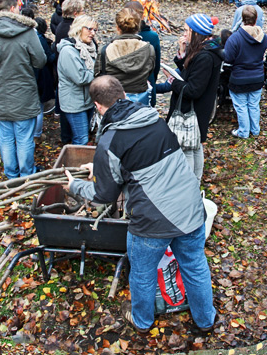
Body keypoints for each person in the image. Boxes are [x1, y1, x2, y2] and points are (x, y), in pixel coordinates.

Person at [62, 75, 216, 336]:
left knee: (143, 273)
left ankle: (142, 322)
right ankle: (206, 320)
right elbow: (141, 164)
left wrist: (74, 186)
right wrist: (98, 166)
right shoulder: (154, 120)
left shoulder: (110, 141)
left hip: (153, 220)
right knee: (195, 265)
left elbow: (104, 195)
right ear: (123, 96)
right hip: (190, 208)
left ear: (98, 107)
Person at [0, 0, 46, 178]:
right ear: (14, 8)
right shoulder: (28, 33)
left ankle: (11, 174)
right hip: (24, 93)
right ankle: (26, 174)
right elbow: (40, 61)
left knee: (6, 137)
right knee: (24, 138)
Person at [161, 14, 223, 179]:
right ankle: (195, 184)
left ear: (197, 33)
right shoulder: (206, 50)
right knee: (195, 146)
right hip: (199, 109)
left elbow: (193, 89)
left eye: (187, 31)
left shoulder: (205, 56)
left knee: (188, 148)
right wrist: (182, 54)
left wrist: (173, 81)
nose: (185, 34)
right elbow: (191, 73)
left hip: (193, 111)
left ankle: (190, 187)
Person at [222, 6, 267, 138]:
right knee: (254, 105)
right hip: (257, 77)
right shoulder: (264, 38)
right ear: (256, 19)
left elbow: (228, 58)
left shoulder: (234, 39)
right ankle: (255, 130)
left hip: (239, 78)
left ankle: (243, 131)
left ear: (242, 19)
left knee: (241, 106)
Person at [96, 8, 156, 105]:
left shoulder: (105, 51)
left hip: (112, 102)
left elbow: (98, 77)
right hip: (140, 102)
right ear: (138, 27)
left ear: (117, 28)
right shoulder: (149, 49)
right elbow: (150, 71)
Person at [57, 15, 98, 145]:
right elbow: (80, 78)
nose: (93, 33)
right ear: (79, 28)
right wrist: (99, 73)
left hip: (86, 101)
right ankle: (76, 163)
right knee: (81, 139)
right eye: (90, 29)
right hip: (74, 104)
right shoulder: (68, 51)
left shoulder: (89, 48)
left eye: (95, 30)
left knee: (82, 136)